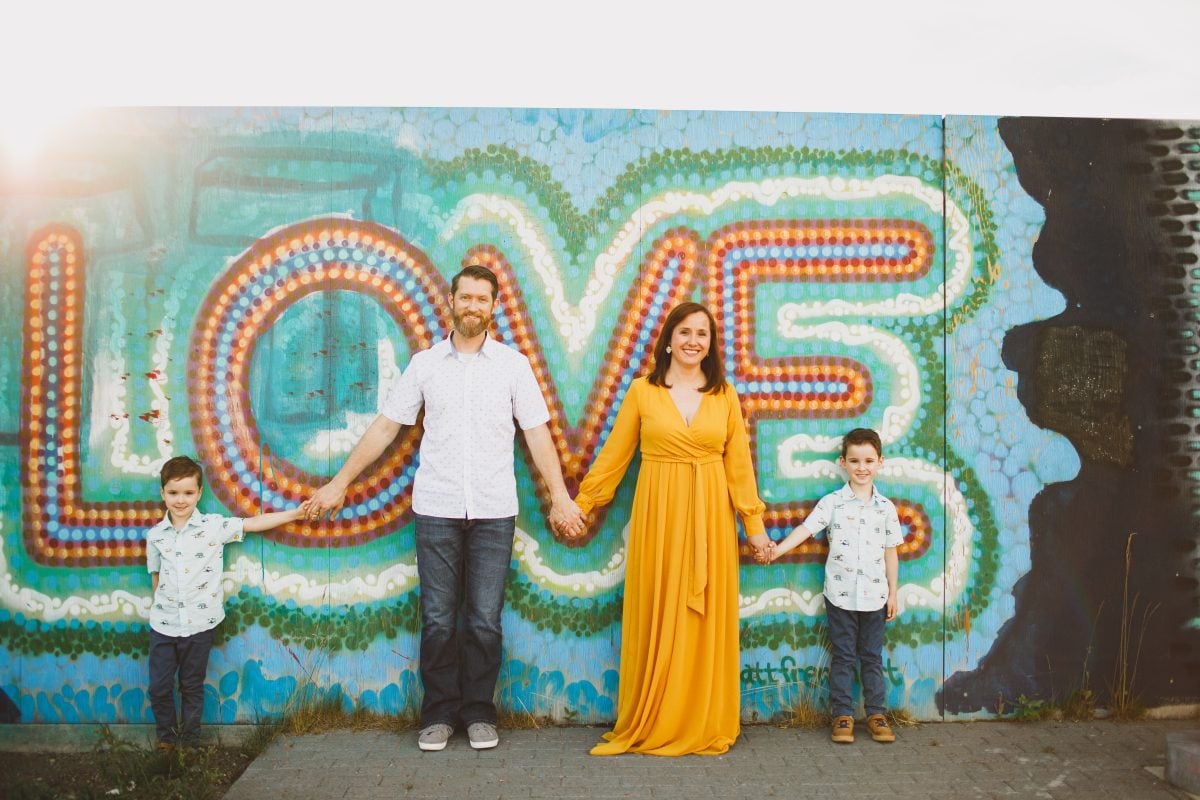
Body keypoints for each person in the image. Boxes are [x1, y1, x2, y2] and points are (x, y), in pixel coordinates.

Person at [304, 264, 583, 752]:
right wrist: (339, 483)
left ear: (494, 306)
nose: (474, 305)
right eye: (466, 297)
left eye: (483, 298)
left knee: (483, 619)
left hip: (495, 510)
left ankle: (478, 713)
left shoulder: (513, 366)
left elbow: (537, 432)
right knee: (436, 617)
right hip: (436, 507)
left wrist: (559, 495)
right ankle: (437, 715)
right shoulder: (425, 365)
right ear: (451, 301)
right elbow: (387, 426)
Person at [571, 301, 771, 756]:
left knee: (700, 618)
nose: (693, 341)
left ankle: (701, 718)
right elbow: (615, 456)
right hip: (658, 515)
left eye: (702, 333)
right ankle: (655, 715)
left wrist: (754, 527)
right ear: (667, 339)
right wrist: (585, 504)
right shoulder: (643, 391)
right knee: (660, 608)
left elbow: (739, 467)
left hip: (710, 520)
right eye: (684, 331)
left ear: (711, 345)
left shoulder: (725, 395)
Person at [147, 455, 303, 752]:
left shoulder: (212, 527)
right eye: (174, 493)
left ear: (199, 493)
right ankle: (166, 739)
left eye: (188, 493)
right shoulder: (155, 536)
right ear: (163, 493)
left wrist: (293, 514)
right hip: (163, 626)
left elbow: (253, 523)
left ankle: (189, 744)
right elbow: (155, 578)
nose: (181, 500)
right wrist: (162, 608)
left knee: (191, 686)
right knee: (159, 687)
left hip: (200, 625)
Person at [760, 427, 902, 744]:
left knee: (871, 658)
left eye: (868, 460)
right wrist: (777, 550)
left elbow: (890, 551)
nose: (861, 467)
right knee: (843, 656)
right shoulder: (833, 503)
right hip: (840, 597)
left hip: (875, 598)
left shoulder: (885, 508)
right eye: (854, 460)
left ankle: (877, 715)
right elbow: (806, 529)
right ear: (843, 462)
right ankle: (842, 716)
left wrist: (893, 593)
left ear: (880, 462)